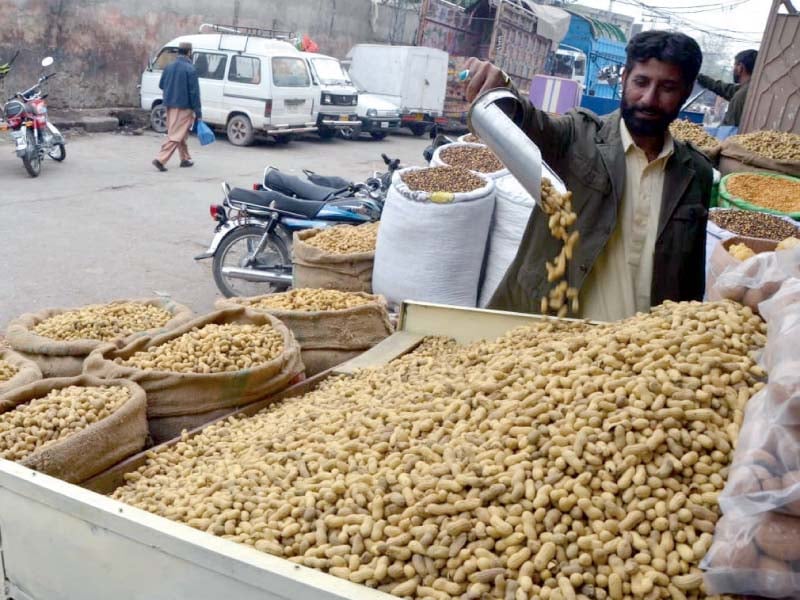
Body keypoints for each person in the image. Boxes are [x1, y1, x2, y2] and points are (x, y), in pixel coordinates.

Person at [464, 30, 713, 321]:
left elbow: (691, 281)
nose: (649, 98)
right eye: (641, 82)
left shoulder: (696, 173)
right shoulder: (579, 137)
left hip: (640, 350)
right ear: (623, 80)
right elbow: (533, 124)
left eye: (667, 87)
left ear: (685, 92)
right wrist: (502, 90)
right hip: (553, 332)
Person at [152, 41, 202, 172]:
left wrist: (172, 90)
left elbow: (161, 85)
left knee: (180, 133)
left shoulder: (169, 66)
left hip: (169, 105)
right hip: (184, 107)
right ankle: (160, 159)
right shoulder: (190, 69)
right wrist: (198, 113)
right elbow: (194, 93)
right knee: (177, 134)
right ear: (189, 52)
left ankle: (185, 159)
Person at [696, 49, 757, 127]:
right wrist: (699, 77)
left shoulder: (740, 96)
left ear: (740, 67)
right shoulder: (748, 88)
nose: (733, 69)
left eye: (734, 65)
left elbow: (729, 130)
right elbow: (723, 88)